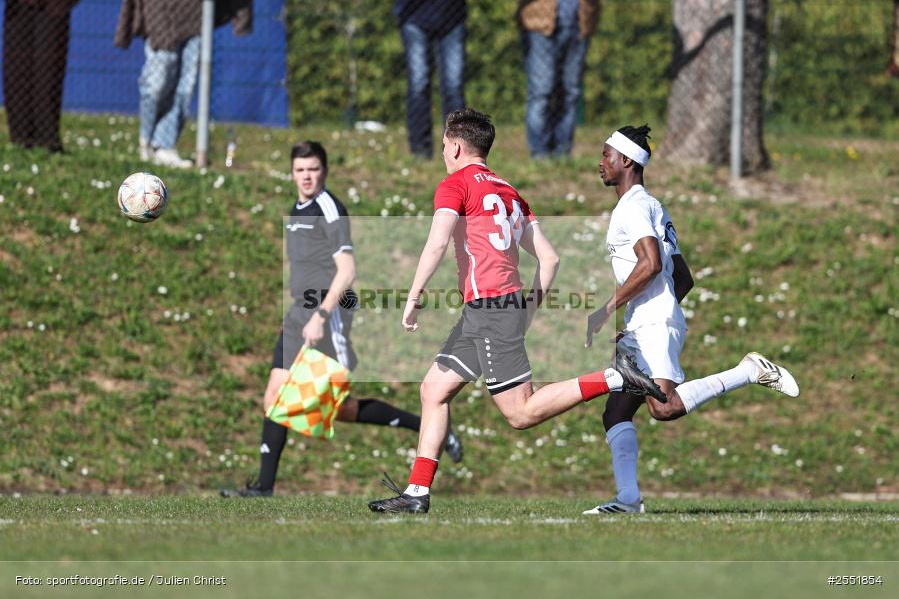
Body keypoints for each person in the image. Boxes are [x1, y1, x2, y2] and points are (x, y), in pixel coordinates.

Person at [367, 109, 666, 514]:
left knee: (521, 413)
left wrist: (414, 294)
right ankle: (417, 493)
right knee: (433, 390)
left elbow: (436, 243)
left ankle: (615, 376)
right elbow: (550, 258)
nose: (443, 154)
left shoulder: (455, 185)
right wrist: (527, 312)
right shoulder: (508, 191)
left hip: (490, 310)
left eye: (442, 147)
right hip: (491, 311)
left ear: (455, 146)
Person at [221, 141, 463, 498]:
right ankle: (264, 487)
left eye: (313, 169)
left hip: (326, 315)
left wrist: (321, 314)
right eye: (300, 170)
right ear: (292, 173)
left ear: (325, 171)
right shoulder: (298, 207)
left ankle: (426, 425)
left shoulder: (329, 208)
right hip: (299, 314)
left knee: (333, 407)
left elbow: (347, 271)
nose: (307, 176)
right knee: (279, 398)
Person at [581, 125, 800, 514]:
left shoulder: (632, 207)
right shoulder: (652, 206)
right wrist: (652, 315)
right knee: (616, 411)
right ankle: (628, 499)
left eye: (606, 155)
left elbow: (649, 265)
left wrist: (606, 313)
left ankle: (748, 371)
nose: (600, 163)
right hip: (650, 319)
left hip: (652, 322)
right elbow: (682, 277)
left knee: (664, 407)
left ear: (626, 160)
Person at [114, 0, 252, 168]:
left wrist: (242, 16)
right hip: (161, 14)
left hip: (197, 17)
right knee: (157, 83)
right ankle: (146, 139)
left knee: (185, 88)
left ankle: (164, 145)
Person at [518, 0, 599, 158]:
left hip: (581, 21)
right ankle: (539, 153)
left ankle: (562, 151)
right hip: (539, 22)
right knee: (542, 91)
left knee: (571, 92)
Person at [2, 0, 80, 152]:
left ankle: (47, 140)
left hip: (53, 6)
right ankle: (20, 138)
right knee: (16, 69)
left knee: (48, 71)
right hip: (17, 7)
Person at [394, 0, 466, 158]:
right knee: (419, 84)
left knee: (453, 86)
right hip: (413, 15)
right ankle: (420, 150)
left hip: (452, 16)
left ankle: (457, 148)